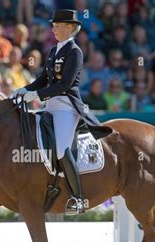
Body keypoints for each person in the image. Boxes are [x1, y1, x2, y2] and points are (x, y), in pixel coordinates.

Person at [11, 9, 112, 215]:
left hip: (67, 107)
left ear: (70, 28)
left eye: (57, 25)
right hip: (50, 106)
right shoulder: (54, 50)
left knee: (60, 149)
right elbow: (43, 80)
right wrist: (25, 90)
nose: (53, 29)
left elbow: (65, 85)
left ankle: (78, 197)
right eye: (53, 25)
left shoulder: (75, 51)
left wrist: (36, 95)